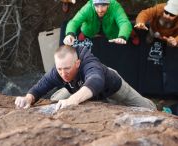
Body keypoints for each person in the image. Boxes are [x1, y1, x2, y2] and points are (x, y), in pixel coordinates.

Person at [15, 40, 156, 111]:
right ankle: (74, 94)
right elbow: (41, 86)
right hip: (80, 87)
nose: (63, 73)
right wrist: (28, 98)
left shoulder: (89, 63)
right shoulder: (59, 71)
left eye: (67, 69)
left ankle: (115, 102)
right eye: (59, 69)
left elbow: (96, 80)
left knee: (150, 109)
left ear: (77, 63)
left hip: (111, 86)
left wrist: (72, 100)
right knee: (56, 100)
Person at [63, 0, 132, 45]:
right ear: (93, 4)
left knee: (128, 31)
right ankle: (85, 33)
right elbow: (74, 22)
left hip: (111, 30)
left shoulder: (115, 6)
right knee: (86, 31)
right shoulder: (88, 7)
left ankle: (131, 34)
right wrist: (70, 34)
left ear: (109, 4)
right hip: (90, 29)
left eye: (103, 5)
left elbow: (124, 22)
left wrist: (122, 36)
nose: (100, 10)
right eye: (97, 5)